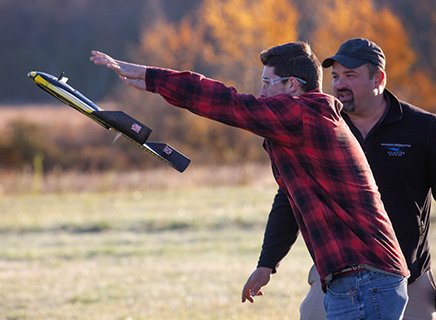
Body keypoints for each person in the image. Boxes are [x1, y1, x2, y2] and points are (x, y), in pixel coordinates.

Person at [90, 41, 410, 319]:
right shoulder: (304, 126)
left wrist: (150, 77)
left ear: (293, 86)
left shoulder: (303, 115)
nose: (261, 93)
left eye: (267, 83)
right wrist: (267, 263)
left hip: (364, 279)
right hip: (360, 277)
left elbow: (228, 103)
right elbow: (289, 199)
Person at [242, 38, 436, 319]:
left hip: (409, 277)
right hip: (337, 274)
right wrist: (267, 263)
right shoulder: (320, 125)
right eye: (335, 76)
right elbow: (290, 197)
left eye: (351, 75)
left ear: (378, 78)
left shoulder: (424, 129)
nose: (339, 84)